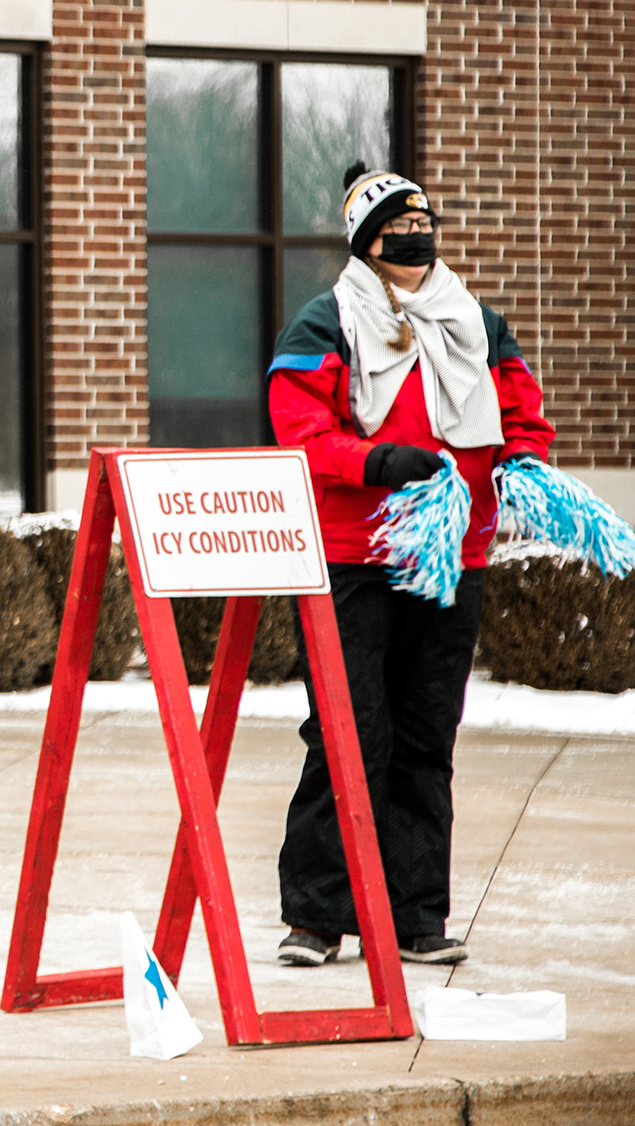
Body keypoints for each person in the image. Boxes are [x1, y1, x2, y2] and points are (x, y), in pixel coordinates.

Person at [265, 164, 553, 969]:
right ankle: (317, 917)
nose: (416, 234)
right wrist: (374, 462)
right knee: (348, 734)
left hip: (455, 557)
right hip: (353, 557)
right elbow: (298, 429)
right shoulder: (324, 322)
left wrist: (522, 464)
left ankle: (415, 915)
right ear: (366, 239)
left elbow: (522, 413)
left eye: (425, 221)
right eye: (398, 224)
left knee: (427, 738)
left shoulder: (478, 323)